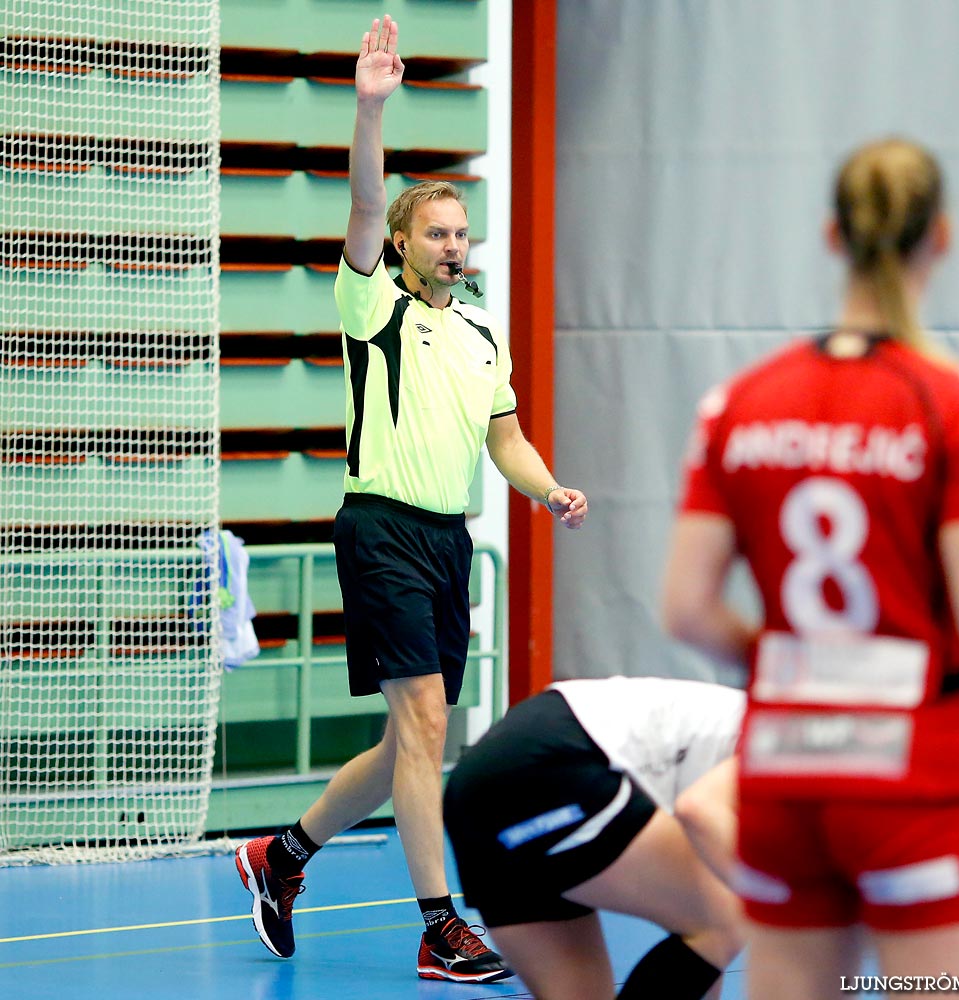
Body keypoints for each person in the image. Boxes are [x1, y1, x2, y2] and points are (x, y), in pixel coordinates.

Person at [661, 137, 959, 999]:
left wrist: (797, 671)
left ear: (831, 234)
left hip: (785, 777)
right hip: (921, 779)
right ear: (943, 239)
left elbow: (689, 611)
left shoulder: (738, 404)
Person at [235, 15, 587, 984]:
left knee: (407, 741)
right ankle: (441, 925)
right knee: (429, 722)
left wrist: (547, 486)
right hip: (379, 528)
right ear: (400, 242)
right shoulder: (374, 308)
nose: (454, 244)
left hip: (446, 541)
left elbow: (503, 436)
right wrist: (368, 107)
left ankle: (281, 858)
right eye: (436, 232)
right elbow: (356, 205)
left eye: (462, 233)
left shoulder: (482, 336)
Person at [442, 675, 746, 999]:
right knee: (724, 914)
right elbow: (697, 809)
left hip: (476, 786)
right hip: (547, 765)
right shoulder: (787, 739)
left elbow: (701, 965)